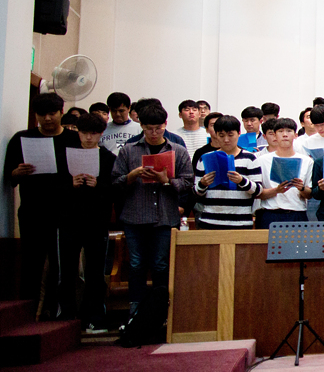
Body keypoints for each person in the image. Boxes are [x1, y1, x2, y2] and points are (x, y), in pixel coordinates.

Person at [111, 101, 193, 319]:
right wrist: (132, 176)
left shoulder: (178, 150)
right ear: (142, 127)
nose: (154, 133)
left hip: (165, 217)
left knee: (161, 265)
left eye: (159, 128)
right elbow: (115, 183)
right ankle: (136, 313)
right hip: (135, 216)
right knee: (136, 264)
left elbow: (188, 183)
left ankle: (160, 312)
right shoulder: (129, 150)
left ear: (165, 124)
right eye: (149, 129)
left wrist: (167, 180)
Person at [4, 92, 81, 318]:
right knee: (31, 262)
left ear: (61, 112)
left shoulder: (73, 139)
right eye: (41, 114)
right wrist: (17, 172)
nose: (47, 118)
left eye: (52, 113)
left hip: (65, 211)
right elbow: (9, 175)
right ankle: (27, 314)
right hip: (32, 210)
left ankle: (57, 311)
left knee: (62, 263)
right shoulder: (21, 138)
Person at [60, 113, 116, 328]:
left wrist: (98, 185)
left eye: (94, 133)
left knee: (95, 270)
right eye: (84, 133)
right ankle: (67, 313)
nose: (89, 138)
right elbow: (55, 188)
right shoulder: (66, 154)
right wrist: (70, 185)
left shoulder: (108, 158)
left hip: (97, 221)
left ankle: (94, 315)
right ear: (78, 132)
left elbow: (116, 190)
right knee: (67, 269)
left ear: (101, 134)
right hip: (69, 219)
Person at [192, 115, 263, 229]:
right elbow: (196, 193)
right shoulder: (205, 159)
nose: (226, 140)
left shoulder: (250, 158)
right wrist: (202, 184)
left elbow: (258, 191)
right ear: (216, 135)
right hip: (210, 221)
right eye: (221, 135)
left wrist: (242, 181)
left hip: (240, 222)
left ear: (239, 133)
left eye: (230, 135)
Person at [253, 117, 312, 228]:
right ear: (275, 136)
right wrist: (276, 190)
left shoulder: (306, 161)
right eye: (280, 131)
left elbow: (309, 194)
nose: (285, 135)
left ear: (295, 135)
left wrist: (302, 188)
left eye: (289, 131)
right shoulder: (262, 160)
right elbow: (257, 193)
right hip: (270, 213)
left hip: (297, 212)